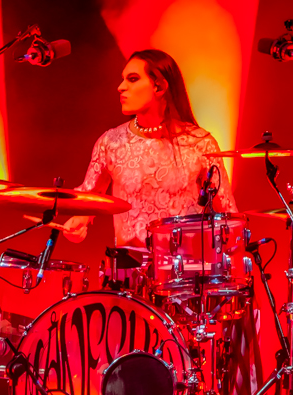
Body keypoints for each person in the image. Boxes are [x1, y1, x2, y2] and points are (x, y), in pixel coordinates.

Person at [61, 49, 237, 249]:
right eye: (123, 79)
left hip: (186, 265)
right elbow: (88, 200)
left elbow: (227, 214)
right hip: (129, 265)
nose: (121, 87)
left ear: (159, 86)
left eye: (132, 79)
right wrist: (78, 223)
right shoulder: (110, 143)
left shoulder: (199, 143)